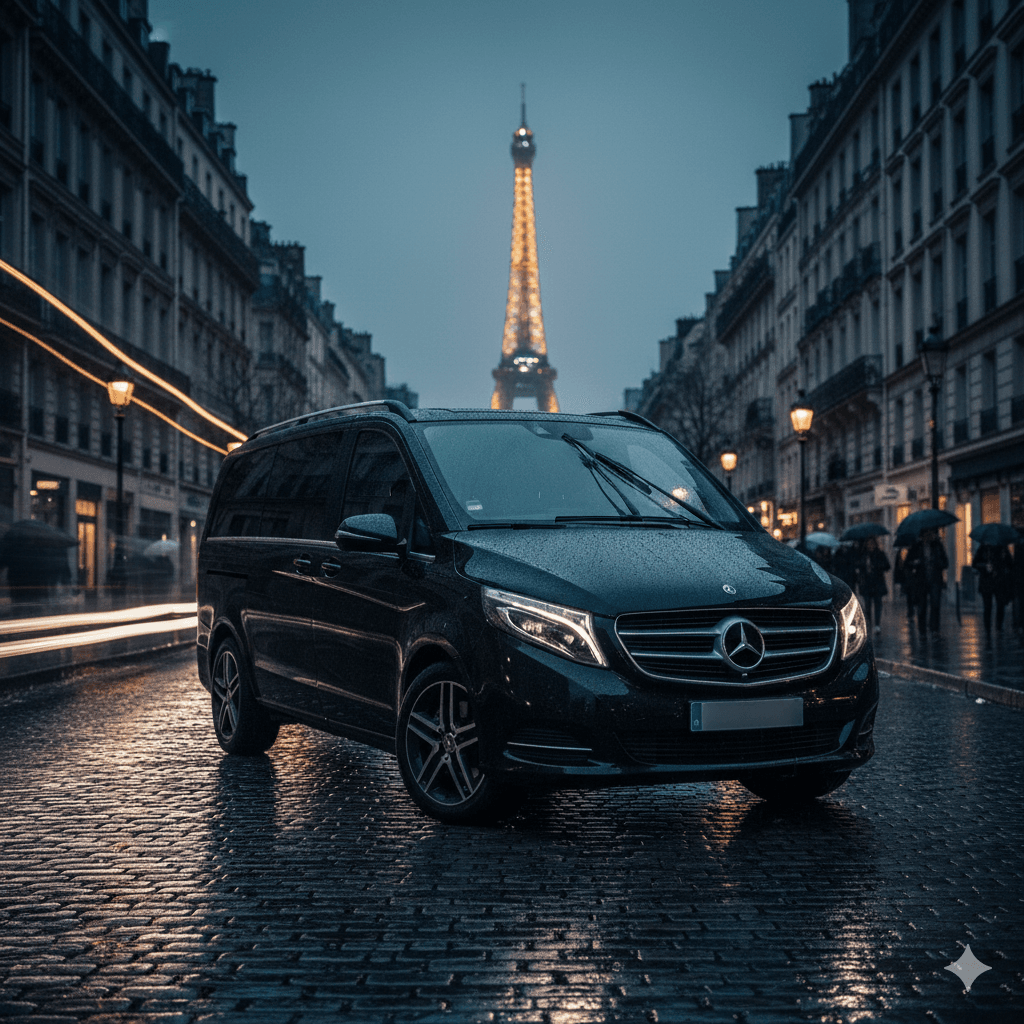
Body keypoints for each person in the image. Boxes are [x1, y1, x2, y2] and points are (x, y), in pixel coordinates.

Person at [904, 528, 948, 634]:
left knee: (935, 604)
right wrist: (915, 563)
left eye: (931, 533)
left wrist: (937, 563)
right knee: (922, 606)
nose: (929, 536)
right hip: (921, 581)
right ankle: (922, 629)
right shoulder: (916, 547)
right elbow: (907, 563)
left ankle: (934, 628)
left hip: (935, 580)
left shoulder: (937, 546)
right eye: (927, 534)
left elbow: (945, 563)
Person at [973, 542, 1013, 637]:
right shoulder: (983, 548)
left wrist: (1003, 568)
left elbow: (1010, 563)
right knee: (987, 607)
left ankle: (998, 627)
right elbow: (975, 563)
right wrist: (984, 566)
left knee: (1000, 605)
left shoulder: (1003, 548)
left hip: (999, 581)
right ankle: (988, 629)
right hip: (986, 582)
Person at [858, 537, 890, 634]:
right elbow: (858, 565)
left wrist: (876, 566)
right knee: (867, 605)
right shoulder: (863, 555)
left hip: (877, 583)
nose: (870, 546)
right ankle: (869, 624)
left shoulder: (880, 554)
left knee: (877, 604)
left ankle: (877, 624)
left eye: (872, 544)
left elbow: (887, 566)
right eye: (868, 544)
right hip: (867, 583)